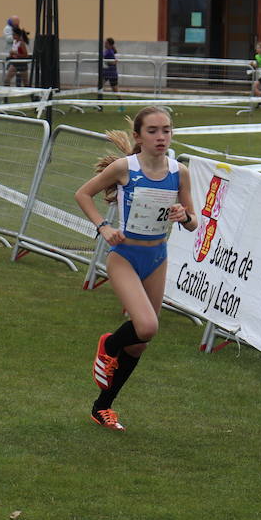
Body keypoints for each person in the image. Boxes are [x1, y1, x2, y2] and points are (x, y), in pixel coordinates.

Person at [74, 106, 196, 431]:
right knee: (147, 326)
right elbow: (83, 194)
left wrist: (183, 216)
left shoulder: (179, 172)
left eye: (166, 130)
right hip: (125, 256)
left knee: (140, 341)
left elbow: (194, 222)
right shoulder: (124, 168)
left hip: (157, 257)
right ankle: (108, 345)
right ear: (138, 137)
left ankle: (102, 407)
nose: (161, 137)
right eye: (153, 131)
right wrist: (102, 227)